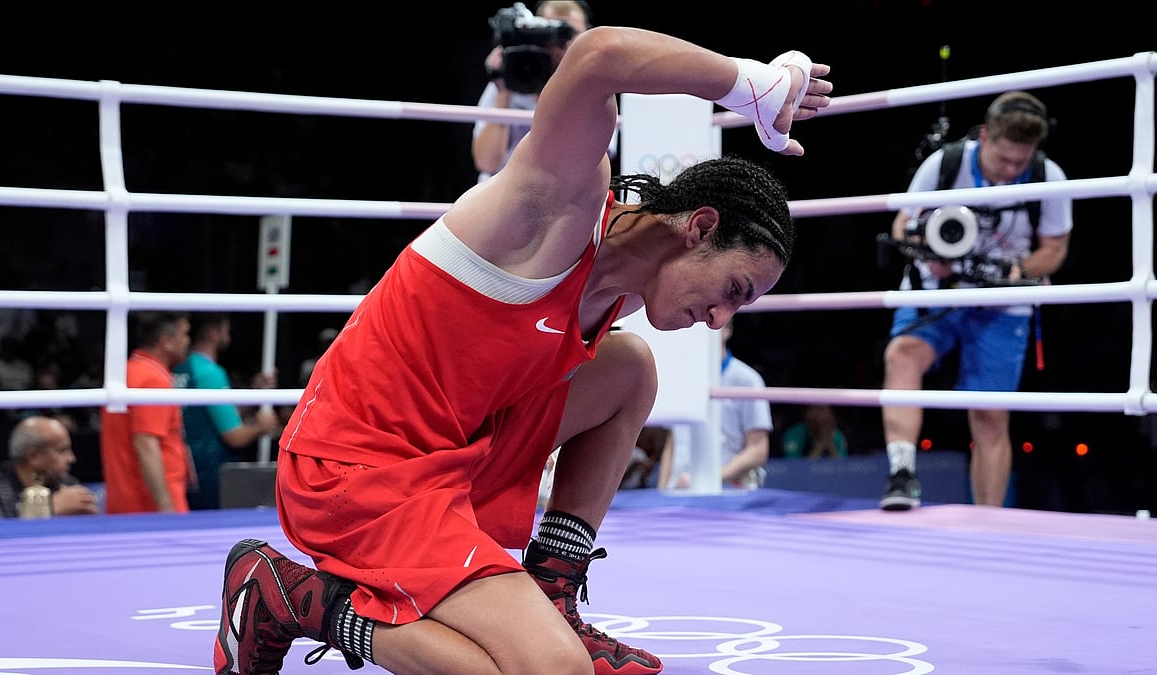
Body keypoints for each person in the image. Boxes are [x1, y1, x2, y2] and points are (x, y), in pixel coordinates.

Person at [215, 24, 830, 675]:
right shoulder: (563, 204)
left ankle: (552, 590)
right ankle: (289, 595)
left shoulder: (622, 286)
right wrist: (752, 83)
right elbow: (598, 56)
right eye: (734, 289)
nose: (720, 318)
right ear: (699, 226)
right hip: (354, 468)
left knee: (630, 368)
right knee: (550, 670)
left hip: (450, 454)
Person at [879, 91, 1072, 511]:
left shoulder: (1047, 175)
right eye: (1004, 160)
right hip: (935, 290)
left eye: (1020, 163)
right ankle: (902, 475)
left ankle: (989, 519)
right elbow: (901, 225)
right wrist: (931, 251)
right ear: (985, 137)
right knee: (902, 356)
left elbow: (1054, 248)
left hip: (1003, 304)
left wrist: (1015, 272)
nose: (1010, 171)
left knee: (989, 415)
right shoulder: (945, 164)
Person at [471, 1, 617, 183]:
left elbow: (590, 165)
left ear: (588, 34)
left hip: (562, 196)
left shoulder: (594, 90)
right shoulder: (505, 84)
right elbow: (487, 162)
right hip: (502, 194)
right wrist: (505, 85)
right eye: (552, 32)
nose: (562, 44)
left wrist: (556, 92)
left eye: (570, 34)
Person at [174, 313, 280, 510]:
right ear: (215, 334)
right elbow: (234, 436)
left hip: (190, 469)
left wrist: (254, 393)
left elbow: (211, 414)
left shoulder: (182, 369)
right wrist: (261, 426)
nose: (229, 337)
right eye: (226, 331)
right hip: (212, 472)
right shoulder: (210, 373)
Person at [658, 319, 774, 490]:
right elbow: (674, 441)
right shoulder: (680, 378)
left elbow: (757, 450)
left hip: (726, 492)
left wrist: (707, 480)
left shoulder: (747, 380)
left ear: (727, 330)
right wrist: (662, 491)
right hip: (677, 492)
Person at [99, 311, 193, 514]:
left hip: (124, 500)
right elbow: (146, 446)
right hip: (149, 506)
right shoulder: (152, 380)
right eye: (184, 335)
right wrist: (166, 507)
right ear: (166, 341)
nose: (188, 341)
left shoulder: (126, 371)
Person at [0, 415, 100, 519]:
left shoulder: (68, 485)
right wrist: (49, 509)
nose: (72, 458)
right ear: (34, 456)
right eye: (62, 451)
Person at [781, 403, 848, 459]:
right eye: (815, 409)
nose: (817, 415)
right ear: (806, 413)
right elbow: (795, 468)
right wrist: (821, 444)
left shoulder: (837, 435)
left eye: (822, 410)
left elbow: (842, 467)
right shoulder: (794, 434)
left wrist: (828, 441)